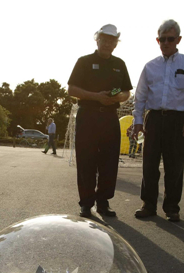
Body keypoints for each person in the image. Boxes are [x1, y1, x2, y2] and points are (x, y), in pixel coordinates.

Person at [132, 19, 184, 222]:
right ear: (157, 40)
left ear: (178, 39)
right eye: (161, 39)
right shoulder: (150, 66)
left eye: (170, 39)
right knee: (149, 164)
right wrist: (138, 121)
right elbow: (140, 96)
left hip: (178, 120)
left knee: (174, 166)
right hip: (153, 118)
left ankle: (172, 207)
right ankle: (148, 204)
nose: (165, 43)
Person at [67, 24, 132, 218]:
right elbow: (71, 89)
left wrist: (118, 97)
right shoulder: (84, 61)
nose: (107, 43)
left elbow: (127, 92)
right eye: (104, 39)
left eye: (111, 40)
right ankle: (86, 204)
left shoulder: (120, 64)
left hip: (110, 116)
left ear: (116, 43)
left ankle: (103, 202)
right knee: (86, 159)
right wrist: (96, 96)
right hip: (88, 114)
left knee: (109, 161)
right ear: (97, 40)